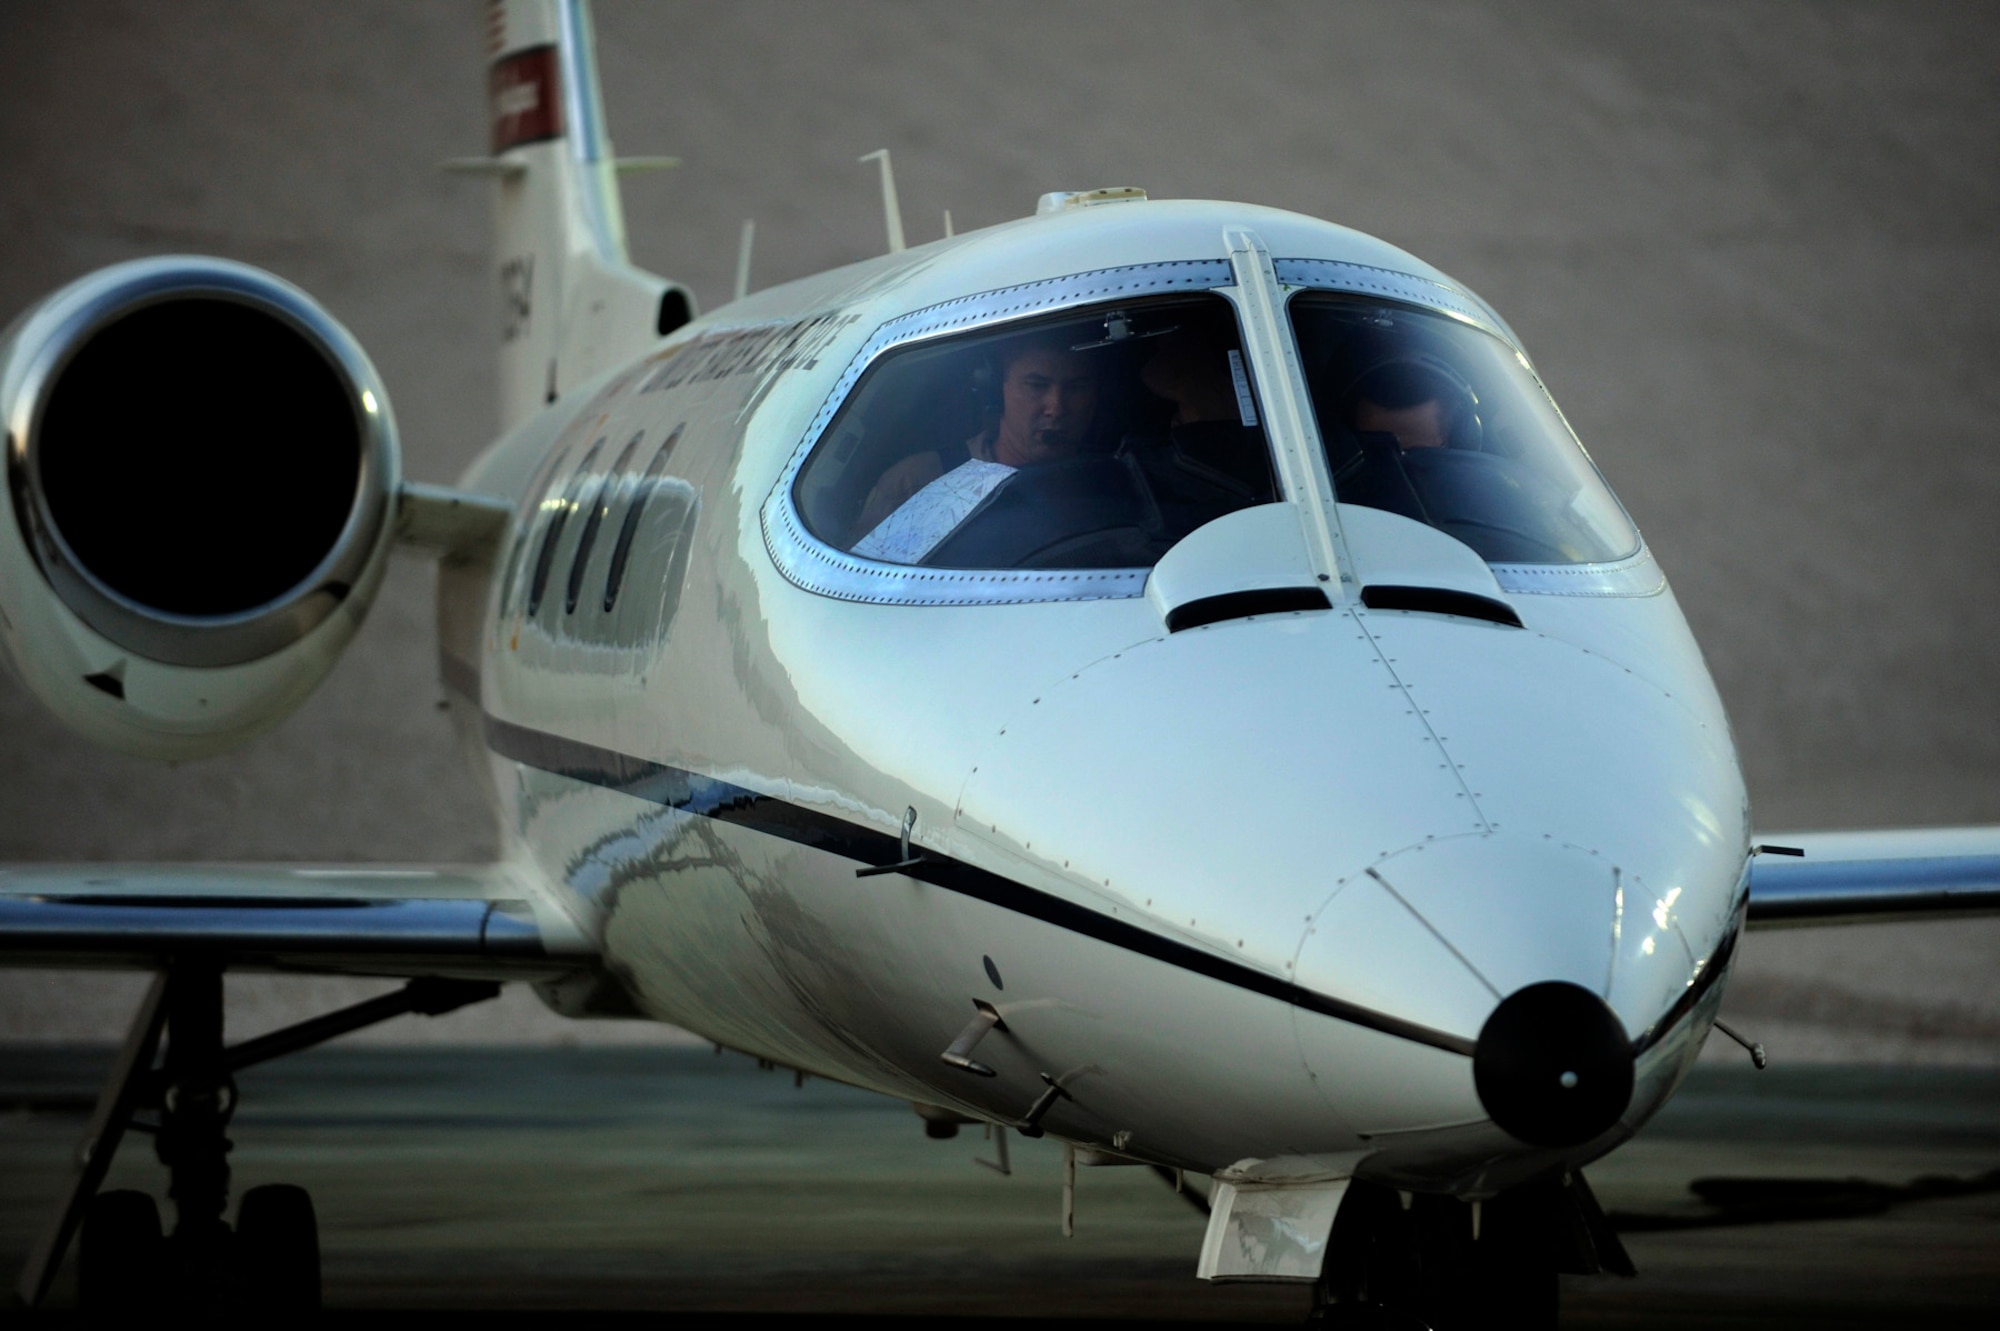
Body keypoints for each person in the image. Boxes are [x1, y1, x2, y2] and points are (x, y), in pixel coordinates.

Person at [851, 335, 1100, 563]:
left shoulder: (1112, 483)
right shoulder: (918, 482)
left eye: (1076, 388)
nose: (1056, 408)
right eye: (1036, 385)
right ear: (995, 391)